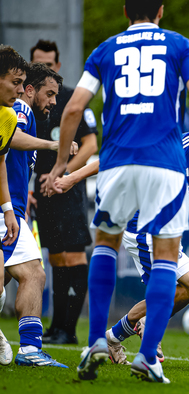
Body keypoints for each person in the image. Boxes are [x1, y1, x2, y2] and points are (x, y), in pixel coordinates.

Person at [40, 0, 189, 383]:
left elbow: (72, 109)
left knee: (104, 245)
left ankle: (98, 339)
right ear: (161, 11)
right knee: (166, 256)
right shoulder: (179, 45)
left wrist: (62, 165)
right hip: (162, 162)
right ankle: (146, 355)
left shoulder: (105, 49)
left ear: (125, 11)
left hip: (117, 159)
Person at [52, 92, 189, 365]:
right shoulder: (171, 147)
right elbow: (119, 157)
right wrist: (73, 178)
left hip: (167, 231)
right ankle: (148, 337)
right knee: (172, 288)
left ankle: (114, 336)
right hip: (141, 227)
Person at [5, 62, 79, 368]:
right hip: (4, 211)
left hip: (14, 211)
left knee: (34, 273)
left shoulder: (26, 114)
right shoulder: (20, 108)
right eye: (49, 94)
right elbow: (12, 138)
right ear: (30, 89)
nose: (52, 102)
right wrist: (54, 144)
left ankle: (30, 350)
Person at [30, 39, 98, 345]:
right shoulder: (25, 105)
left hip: (67, 189)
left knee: (73, 256)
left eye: (48, 63)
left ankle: (69, 329)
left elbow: (91, 145)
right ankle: (57, 327)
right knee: (55, 257)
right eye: (37, 64)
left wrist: (66, 174)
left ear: (57, 67)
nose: (43, 68)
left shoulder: (70, 99)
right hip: (40, 189)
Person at [0, 45, 28, 366]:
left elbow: (1, 163)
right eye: (15, 82)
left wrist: (8, 208)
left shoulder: (8, 117)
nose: (21, 91)